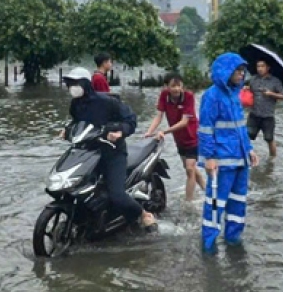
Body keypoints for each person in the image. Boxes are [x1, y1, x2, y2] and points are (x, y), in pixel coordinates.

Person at [61, 67, 158, 230]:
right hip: (87, 153)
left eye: (75, 83)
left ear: (85, 84)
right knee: (74, 186)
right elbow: (76, 122)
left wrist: (120, 132)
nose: (72, 87)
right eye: (70, 84)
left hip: (112, 153)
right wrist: (67, 129)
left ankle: (144, 214)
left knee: (117, 195)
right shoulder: (76, 104)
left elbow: (131, 120)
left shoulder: (108, 101)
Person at [199, 53, 259, 247]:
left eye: (243, 71)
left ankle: (234, 240)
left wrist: (249, 149)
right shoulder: (212, 95)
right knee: (216, 204)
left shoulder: (235, 95)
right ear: (226, 72)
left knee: (238, 202)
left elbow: (240, 126)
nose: (242, 74)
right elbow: (206, 129)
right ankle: (209, 244)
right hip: (222, 161)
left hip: (241, 159)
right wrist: (209, 157)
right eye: (238, 71)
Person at [143, 73, 206, 201]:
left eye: (179, 86)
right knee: (191, 169)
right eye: (173, 86)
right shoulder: (164, 96)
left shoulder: (188, 96)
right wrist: (149, 132)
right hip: (179, 139)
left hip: (193, 136)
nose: (176, 89)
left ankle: (189, 202)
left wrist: (163, 132)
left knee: (189, 169)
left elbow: (184, 122)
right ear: (166, 87)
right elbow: (159, 116)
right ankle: (209, 191)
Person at [245, 59, 283, 159]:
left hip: (268, 116)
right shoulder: (253, 79)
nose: (260, 69)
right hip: (254, 114)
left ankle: (272, 161)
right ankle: (246, 157)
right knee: (246, 136)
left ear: (268, 68)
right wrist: (246, 90)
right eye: (258, 66)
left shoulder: (275, 81)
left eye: (262, 66)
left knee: (269, 139)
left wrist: (271, 94)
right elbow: (248, 92)